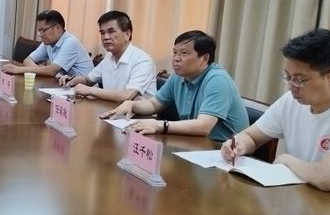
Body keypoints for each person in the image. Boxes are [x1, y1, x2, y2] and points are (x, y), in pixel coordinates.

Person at [221, 29, 330, 204]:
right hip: (299, 203)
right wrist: (238, 145)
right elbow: (251, 136)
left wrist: (286, 160)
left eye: (300, 80)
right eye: (288, 76)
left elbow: (328, 178)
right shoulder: (291, 101)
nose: (292, 86)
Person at [100, 30, 248, 142]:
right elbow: (154, 105)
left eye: (183, 53)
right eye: (175, 52)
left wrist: (159, 125)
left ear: (204, 58)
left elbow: (204, 126)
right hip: (196, 144)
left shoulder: (217, 80)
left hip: (224, 150)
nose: (176, 58)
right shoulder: (178, 76)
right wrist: (131, 104)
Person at [58, 10, 157, 102]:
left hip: (136, 115)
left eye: (111, 31)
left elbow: (127, 96)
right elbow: (88, 80)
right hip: (110, 110)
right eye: (102, 33)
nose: (105, 37)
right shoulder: (109, 56)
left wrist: (90, 90)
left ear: (127, 34)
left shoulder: (143, 61)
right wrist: (73, 80)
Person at [1, 9, 93, 78]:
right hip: (65, 87)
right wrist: (40, 69)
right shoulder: (49, 42)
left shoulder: (70, 43)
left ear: (57, 28)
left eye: (43, 30)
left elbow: (51, 71)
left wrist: (17, 69)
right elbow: (27, 60)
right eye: (39, 31)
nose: (40, 34)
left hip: (85, 92)